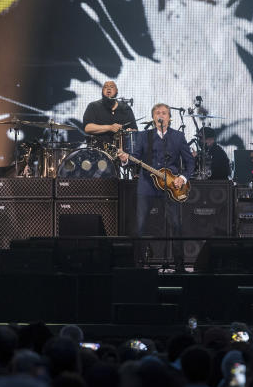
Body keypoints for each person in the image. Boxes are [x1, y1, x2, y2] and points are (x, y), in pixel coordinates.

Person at [118, 103, 195, 270]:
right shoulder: (144, 136)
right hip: (147, 184)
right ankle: (138, 265)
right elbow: (135, 157)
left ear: (169, 117)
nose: (161, 115)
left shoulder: (178, 136)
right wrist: (125, 159)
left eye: (165, 113)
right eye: (158, 113)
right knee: (140, 226)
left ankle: (180, 266)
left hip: (171, 185)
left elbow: (190, 162)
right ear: (153, 117)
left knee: (176, 225)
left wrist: (181, 178)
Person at [82, 81, 136, 149]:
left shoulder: (125, 108)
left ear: (116, 91)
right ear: (102, 91)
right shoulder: (93, 106)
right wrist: (110, 127)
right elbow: (88, 128)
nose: (108, 89)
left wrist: (130, 131)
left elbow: (135, 130)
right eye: (105, 87)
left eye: (111, 87)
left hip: (122, 151)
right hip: (98, 150)